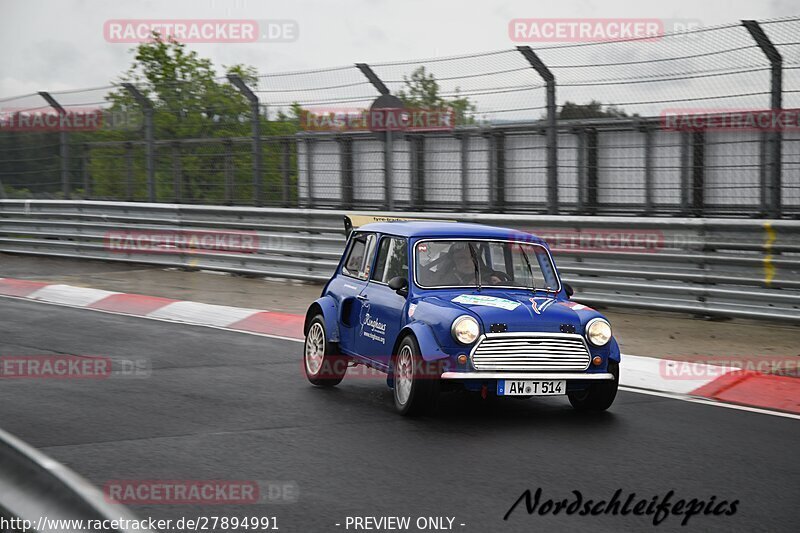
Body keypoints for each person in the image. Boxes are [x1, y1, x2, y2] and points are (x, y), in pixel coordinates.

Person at [432, 242, 504, 286]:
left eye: (472, 257)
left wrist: (496, 283)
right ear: (454, 260)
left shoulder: (489, 274)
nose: (468, 261)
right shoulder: (444, 279)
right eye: (462, 258)